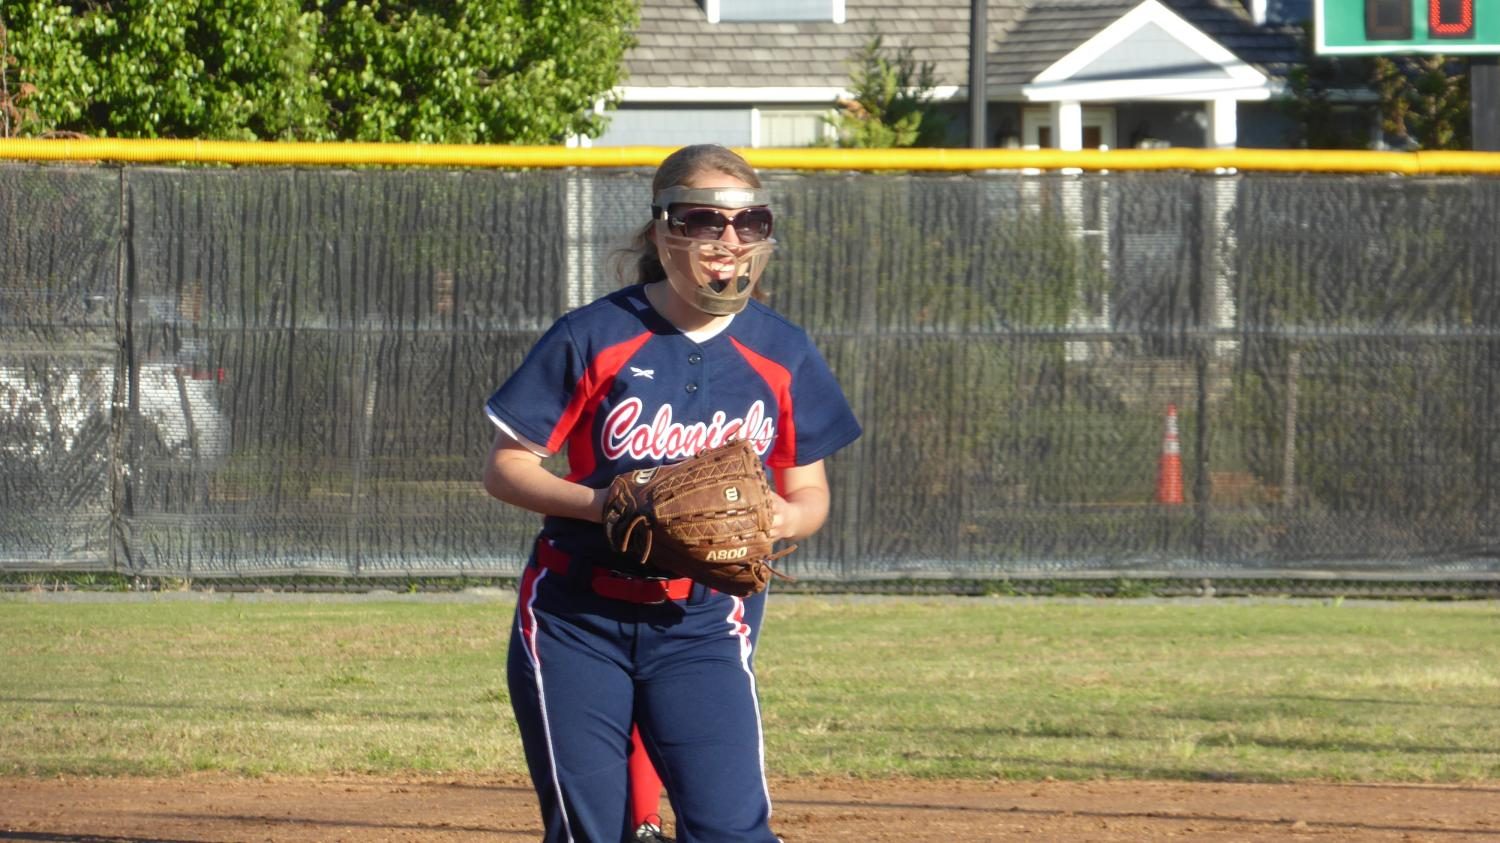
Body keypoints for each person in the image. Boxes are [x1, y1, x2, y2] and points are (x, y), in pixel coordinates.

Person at [482, 143, 861, 842]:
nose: (729, 240)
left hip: (704, 621)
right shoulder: (593, 335)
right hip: (575, 614)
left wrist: (785, 515)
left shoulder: (783, 351)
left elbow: (810, 492)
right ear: (663, 230)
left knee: (730, 829)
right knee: (594, 832)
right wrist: (608, 504)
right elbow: (507, 468)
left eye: (750, 222)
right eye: (705, 220)